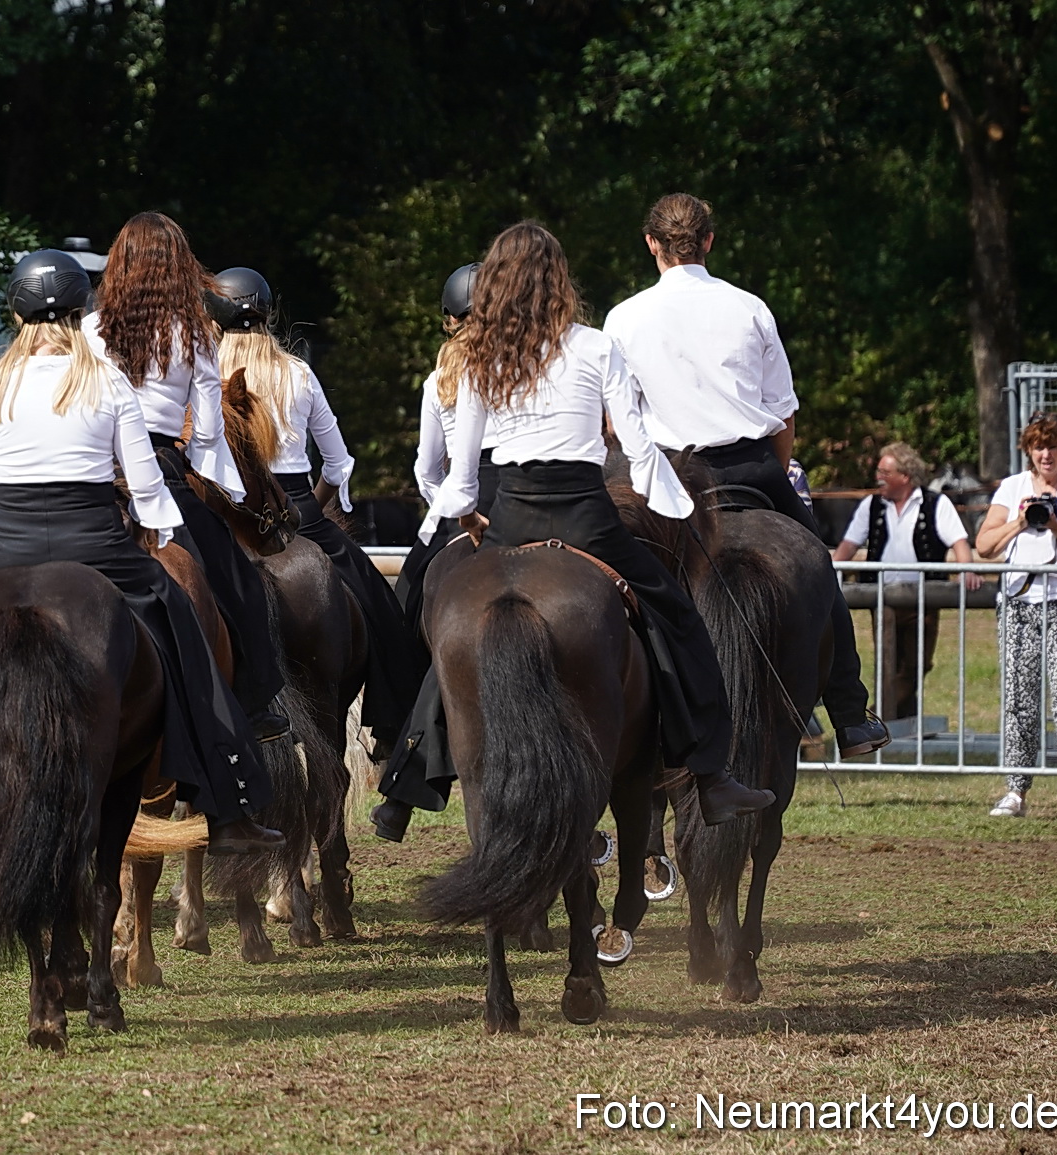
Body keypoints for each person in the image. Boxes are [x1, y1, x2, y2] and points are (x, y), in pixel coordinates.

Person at [374, 221, 775, 837]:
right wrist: (671, 503)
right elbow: (638, 449)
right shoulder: (595, 346)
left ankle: (405, 785)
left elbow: (462, 473)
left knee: (446, 641)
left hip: (509, 517)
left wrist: (464, 519)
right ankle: (710, 775)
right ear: (559, 281)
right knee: (679, 619)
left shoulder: (482, 358)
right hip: (587, 517)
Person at [0, 249, 282, 855]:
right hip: (98, 542)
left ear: (15, 312)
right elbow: (146, 486)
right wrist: (159, 527)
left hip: (12, 545)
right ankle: (227, 804)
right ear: (82, 310)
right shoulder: (106, 382)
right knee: (183, 623)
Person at [602, 193, 889, 759]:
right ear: (708, 241)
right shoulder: (750, 307)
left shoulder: (623, 317)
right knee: (816, 563)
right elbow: (783, 412)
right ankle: (850, 714)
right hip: (749, 468)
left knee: (600, 570)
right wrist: (773, 476)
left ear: (651, 244)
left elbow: (617, 422)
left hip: (659, 476)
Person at [82, 212, 288, 741]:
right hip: (161, 468)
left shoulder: (86, 330)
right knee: (234, 581)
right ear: (179, 267)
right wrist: (205, 472)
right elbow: (209, 427)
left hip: (91, 474)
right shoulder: (193, 331)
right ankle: (256, 703)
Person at [209, 267, 426, 756]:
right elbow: (338, 462)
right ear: (268, 312)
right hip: (297, 509)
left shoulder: (200, 375)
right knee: (381, 605)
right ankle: (394, 730)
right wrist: (315, 513)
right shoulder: (297, 372)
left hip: (224, 510)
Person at [976, 412, 1057, 823]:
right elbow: (984, 545)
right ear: (1028, 449)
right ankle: (1015, 789)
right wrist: (1020, 522)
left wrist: (1054, 523)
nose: (1046, 454)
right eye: (1039, 446)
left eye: (1054, 445)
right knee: (1018, 697)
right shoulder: (1012, 488)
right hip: (1020, 603)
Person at [831, 443, 981, 723]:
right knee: (888, 665)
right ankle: (901, 724)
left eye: (885, 471)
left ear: (906, 476)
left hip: (923, 600)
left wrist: (966, 570)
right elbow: (848, 545)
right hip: (882, 599)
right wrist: (830, 572)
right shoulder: (871, 505)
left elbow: (958, 541)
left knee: (916, 664)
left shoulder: (935, 503)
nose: (879, 477)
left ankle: (877, 718)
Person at [396, 262, 496, 633]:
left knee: (403, 605)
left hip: (464, 507)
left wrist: (451, 509)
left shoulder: (437, 382)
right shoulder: (521, 368)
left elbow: (426, 471)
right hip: (521, 492)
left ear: (449, 320)